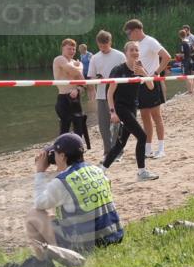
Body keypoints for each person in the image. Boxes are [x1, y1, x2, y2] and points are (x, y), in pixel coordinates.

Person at [26, 133, 124, 267]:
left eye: (55, 154)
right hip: (112, 236)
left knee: (33, 215)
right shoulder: (97, 170)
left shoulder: (62, 182)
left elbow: (39, 203)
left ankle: (46, 265)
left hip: (87, 244)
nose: (53, 158)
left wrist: (40, 172)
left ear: (62, 156)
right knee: (58, 213)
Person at [101, 41, 159, 180]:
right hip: (121, 108)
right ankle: (141, 172)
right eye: (132, 50)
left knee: (121, 143)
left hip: (133, 108)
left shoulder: (140, 68)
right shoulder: (118, 70)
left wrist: (143, 73)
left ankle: (101, 170)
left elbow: (151, 86)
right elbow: (109, 93)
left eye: (137, 50)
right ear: (126, 53)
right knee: (142, 136)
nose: (135, 52)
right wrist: (112, 112)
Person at [123, 19, 172, 160]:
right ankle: (148, 148)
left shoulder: (150, 41)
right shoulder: (137, 45)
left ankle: (161, 148)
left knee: (156, 116)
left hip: (151, 81)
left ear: (136, 30)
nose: (128, 36)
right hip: (141, 84)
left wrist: (156, 73)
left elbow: (166, 57)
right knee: (144, 116)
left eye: (129, 33)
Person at [87, 30, 126, 158]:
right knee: (103, 126)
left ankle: (118, 151)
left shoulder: (120, 56)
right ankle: (107, 151)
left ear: (110, 42)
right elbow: (90, 78)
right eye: (100, 46)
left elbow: (126, 74)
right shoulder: (95, 57)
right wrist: (97, 79)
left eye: (105, 45)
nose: (103, 48)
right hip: (101, 95)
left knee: (116, 124)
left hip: (118, 95)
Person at [52, 38, 88, 145]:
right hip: (63, 98)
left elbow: (83, 84)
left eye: (74, 49)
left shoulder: (74, 62)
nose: (72, 51)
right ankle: (61, 153)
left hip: (75, 98)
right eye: (69, 49)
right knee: (64, 128)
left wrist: (78, 89)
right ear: (63, 48)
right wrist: (80, 67)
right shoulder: (59, 59)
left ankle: (78, 152)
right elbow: (73, 71)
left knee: (79, 127)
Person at [178, 29, 194, 94]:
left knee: (186, 76)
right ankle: (192, 89)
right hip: (190, 60)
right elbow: (192, 51)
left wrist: (178, 55)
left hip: (185, 61)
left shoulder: (183, 43)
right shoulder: (189, 42)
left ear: (180, 36)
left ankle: (189, 91)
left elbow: (182, 54)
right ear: (186, 35)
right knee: (190, 76)